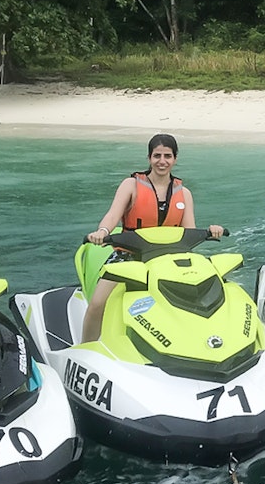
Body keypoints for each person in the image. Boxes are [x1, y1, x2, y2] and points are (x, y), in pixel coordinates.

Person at [82, 134, 223, 343]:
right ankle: (86, 347)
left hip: (167, 260)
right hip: (129, 256)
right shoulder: (131, 185)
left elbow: (189, 231)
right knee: (97, 303)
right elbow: (113, 215)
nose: (162, 161)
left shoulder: (184, 193)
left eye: (167, 156)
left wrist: (211, 230)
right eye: (157, 155)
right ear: (149, 158)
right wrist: (102, 231)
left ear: (175, 159)